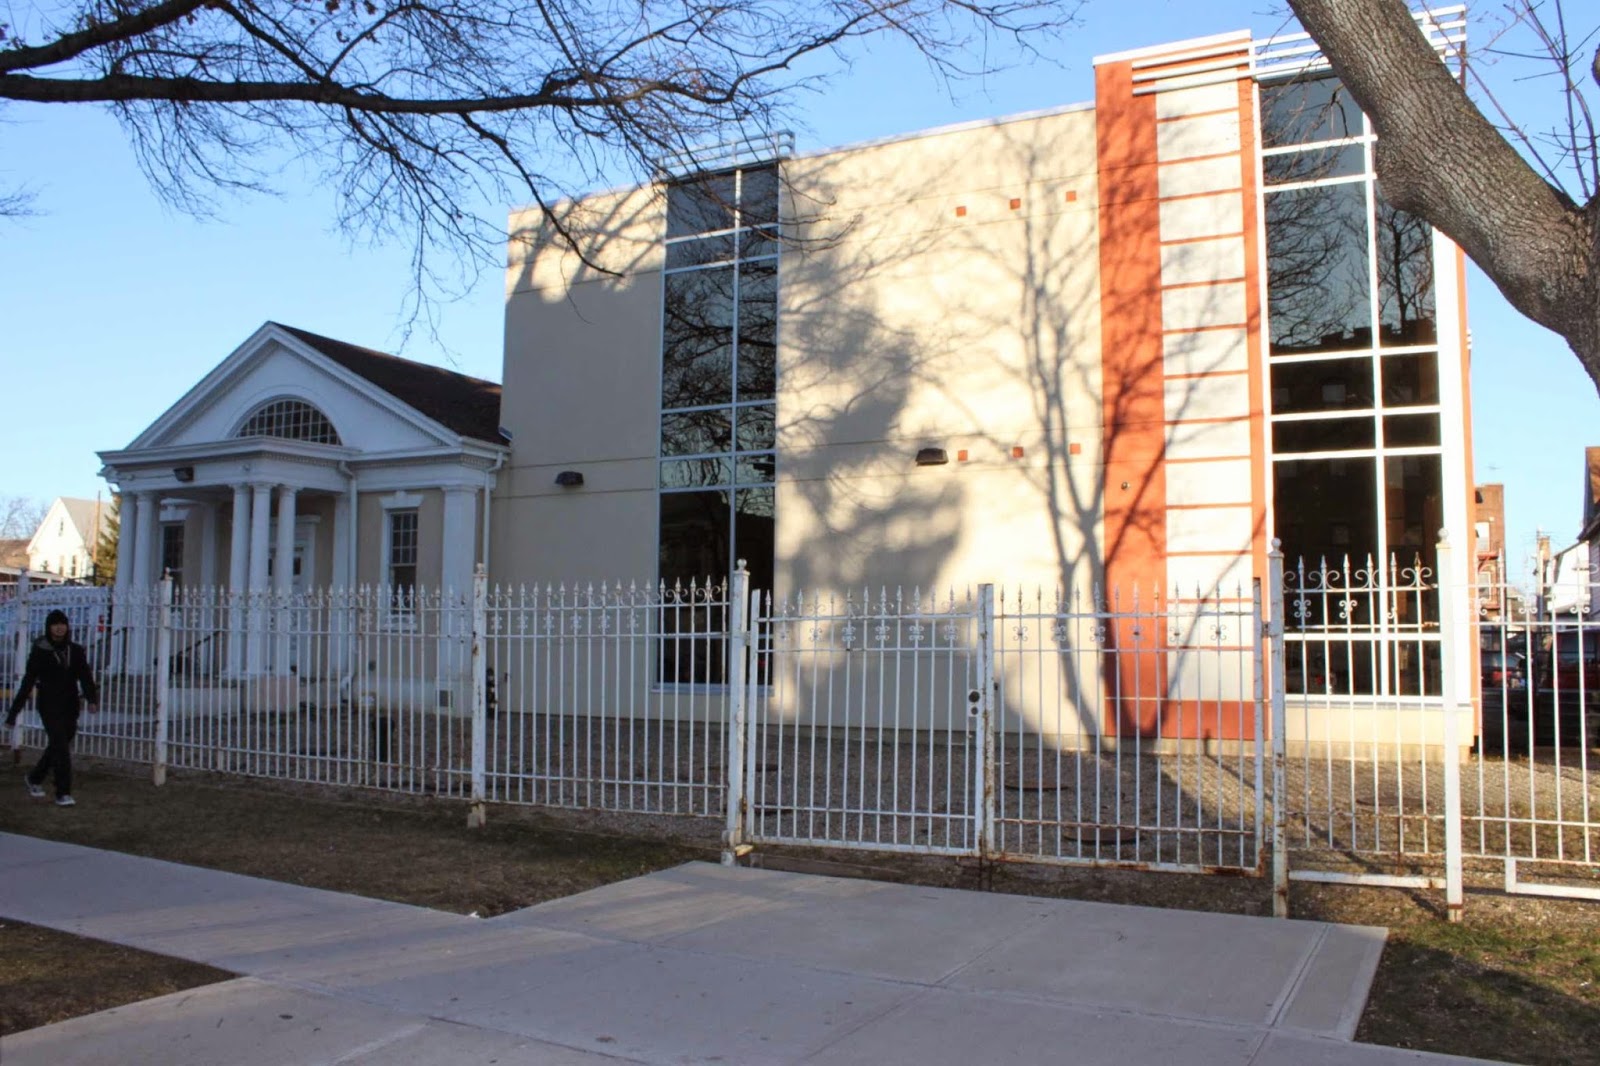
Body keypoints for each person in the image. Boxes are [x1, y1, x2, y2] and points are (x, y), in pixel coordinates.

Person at [5, 609, 99, 807]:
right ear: (49, 627)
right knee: (61, 748)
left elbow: (85, 676)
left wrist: (91, 699)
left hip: (70, 705)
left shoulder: (75, 650)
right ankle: (63, 793)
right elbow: (28, 681)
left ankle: (34, 778)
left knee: (59, 745)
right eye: (55, 624)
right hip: (49, 705)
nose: (59, 628)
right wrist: (14, 713)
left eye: (62, 624)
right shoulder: (41, 650)